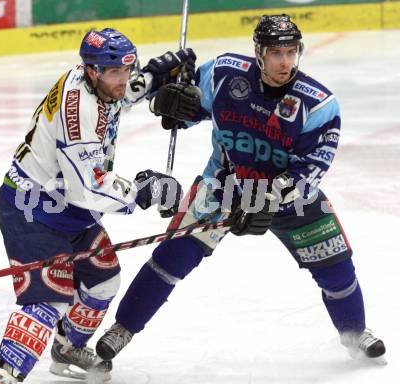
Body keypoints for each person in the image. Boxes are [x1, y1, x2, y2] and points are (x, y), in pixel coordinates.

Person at [95, 15, 387, 369]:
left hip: (288, 197)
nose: (284, 62)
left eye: (291, 52)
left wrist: (268, 199)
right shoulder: (223, 73)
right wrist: (170, 103)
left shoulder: (319, 104)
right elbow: (187, 107)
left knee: (336, 268)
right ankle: (122, 328)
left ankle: (355, 332)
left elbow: (312, 169)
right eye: (276, 52)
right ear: (258, 53)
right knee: (171, 258)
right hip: (223, 185)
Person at [0, 28, 196, 384]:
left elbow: (118, 96)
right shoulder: (79, 114)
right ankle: (4, 377)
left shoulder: (92, 78)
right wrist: (144, 191)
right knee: (48, 299)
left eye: (127, 70)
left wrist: (154, 77)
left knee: (103, 280)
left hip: (68, 212)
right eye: (116, 72)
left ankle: (67, 347)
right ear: (94, 71)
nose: (123, 79)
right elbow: (90, 189)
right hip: (33, 210)